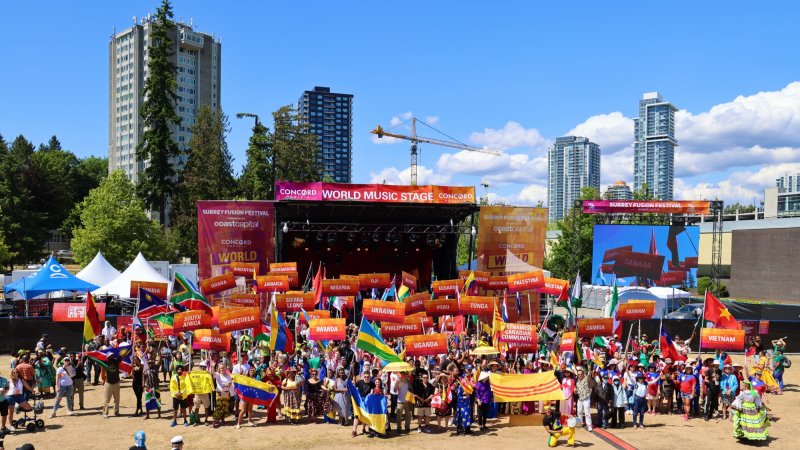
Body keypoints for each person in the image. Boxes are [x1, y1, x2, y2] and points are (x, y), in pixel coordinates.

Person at [352, 370, 374, 437]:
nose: (366, 378)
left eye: (368, 377)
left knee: (365, 415)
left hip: (367, 402)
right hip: (359, 402)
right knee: (357, 416)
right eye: (365, 377)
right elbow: (354, 389)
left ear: (370, 377)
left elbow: (372, 392)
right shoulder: (359, 382)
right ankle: (354, 431)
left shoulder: (372, 384)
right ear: (363, 377)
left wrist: (370, 395)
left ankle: (364, 428)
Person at [213, 363, 233, 428]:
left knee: (224, 407)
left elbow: (230, 382)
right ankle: (214, 422)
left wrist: (229, 384)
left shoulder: (228, 375)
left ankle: (222, 420)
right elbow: (214, 376)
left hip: (226, 392)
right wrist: (213, 366)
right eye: (221, 368)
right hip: (219, 393)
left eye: (223, 368)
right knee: (219, 407)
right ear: (219, 369)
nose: (222, 369)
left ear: (225, 368)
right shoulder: (218, 375)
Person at [574, 367, 593, 432]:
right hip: (580, 399)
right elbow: (577, 390)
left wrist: (589, 368)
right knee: (579, 412)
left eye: (581, 374)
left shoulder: (586, 379)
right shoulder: (577, 381)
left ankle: (589, 425)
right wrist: (575, 391)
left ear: (583, 374)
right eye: (578, 374)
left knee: (587, 412)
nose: (580, 375)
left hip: (586, 398)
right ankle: (580, 423)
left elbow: (589, 375)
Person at [103, 353, 122, 418]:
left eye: (113, 356)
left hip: (116, 383)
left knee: (117, 399)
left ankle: (116, 412)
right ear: (108, 357)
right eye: (111, 356)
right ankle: (105, 413)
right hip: (109, 383)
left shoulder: (116, 361)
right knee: (107, 399)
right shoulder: (105, 363)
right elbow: (96, 358)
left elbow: (123, 354)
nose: (112, 357)